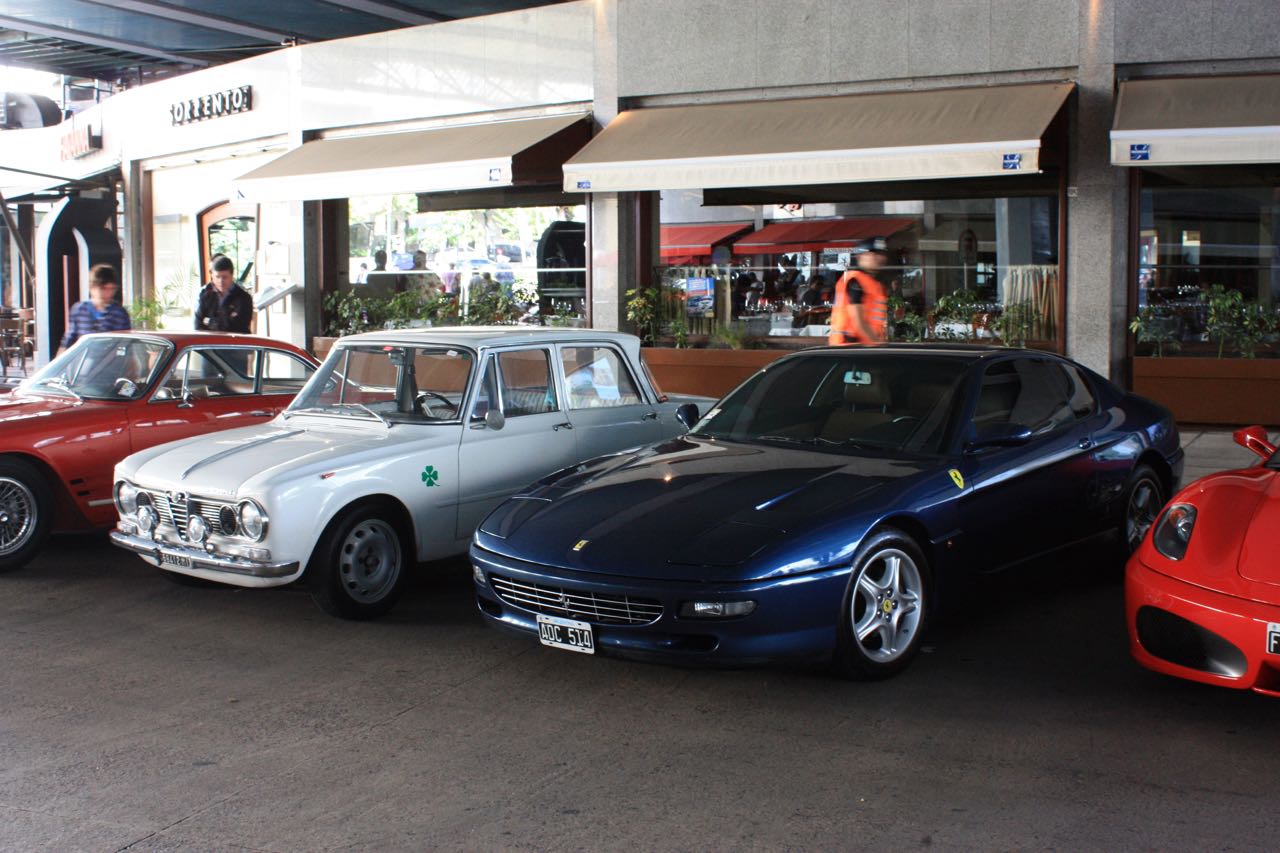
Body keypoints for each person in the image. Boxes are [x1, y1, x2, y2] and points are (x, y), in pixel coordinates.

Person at [828, 237, 890, 345]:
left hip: (863, 346)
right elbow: (858, 321)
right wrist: (878, 344)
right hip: (849, 347)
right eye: (872, 253)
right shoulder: (855, 281)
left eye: (880, 254)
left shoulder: (874, 283)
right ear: (860, 256)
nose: (878, 258)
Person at [59, 264, 131, 352]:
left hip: (109, 358)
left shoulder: (119, 313)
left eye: (112, 289)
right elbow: (68, 341)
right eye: (103, 288)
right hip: (83, 358)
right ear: (92, 287)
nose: (108, 293)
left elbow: (125, 344)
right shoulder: (79, 309)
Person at [194, 255, 255, 333]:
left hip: (235, 340)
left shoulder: (244, 297)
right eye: (217, 277)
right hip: (210, 340)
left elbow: (239, 326)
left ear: (232, 275)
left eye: (225, 277)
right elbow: (197, 324)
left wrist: (209, 321)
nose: (221, 281)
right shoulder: (205, 294)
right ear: (212, 276)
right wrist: (224, 321)